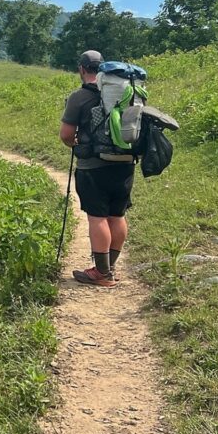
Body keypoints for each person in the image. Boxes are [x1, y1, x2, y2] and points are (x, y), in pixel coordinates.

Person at [58, 50, 135, 288]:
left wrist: (78, 144)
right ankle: (110, 267)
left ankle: (101, 274)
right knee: (117, 215)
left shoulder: (79, 97)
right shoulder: (126, 93)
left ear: (82, 69)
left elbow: (66, 135)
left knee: (97, 217)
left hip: (93, 166)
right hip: (125, 163)